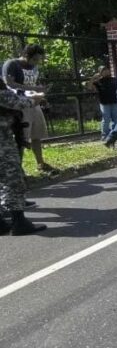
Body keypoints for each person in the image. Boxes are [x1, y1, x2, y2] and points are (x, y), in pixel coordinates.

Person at [0, 78, 47, 235]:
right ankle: (18, 221)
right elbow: (20, 102)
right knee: (13, 180)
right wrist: (37, 97)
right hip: (2, 144)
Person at [2, 44, 56, 175]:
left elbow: (32, 84)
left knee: (37, 135)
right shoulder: (12, 64)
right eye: (35, 59)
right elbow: (9, 84)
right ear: (26, 55)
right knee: (21, 138)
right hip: (18, 105)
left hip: (33, 102)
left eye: (39, 59)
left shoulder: (34, 67)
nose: (37, 62)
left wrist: (40, 94)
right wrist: (35, 90)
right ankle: (18, 169)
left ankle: (40, 163)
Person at [87, 66, 117, 140]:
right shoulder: (98, 82)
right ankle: (105, 135)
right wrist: (93, 78)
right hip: (104, 103)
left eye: (107, 70)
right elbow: (89, 87)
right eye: (103, 71)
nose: (106, 71)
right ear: (100, 73)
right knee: (106, 119)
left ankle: (115, 134)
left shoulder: (115, 80)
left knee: (116, 119)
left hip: (115, 102)